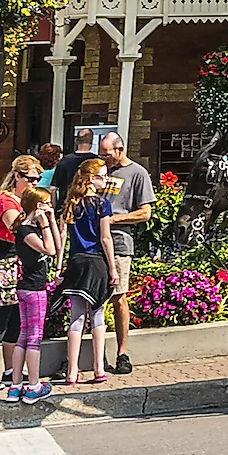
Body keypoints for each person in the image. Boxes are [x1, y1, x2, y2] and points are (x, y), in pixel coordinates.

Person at [0, 155, 42, 391]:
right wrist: (35, 218)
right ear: (18, 176)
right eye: (31, 179)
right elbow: (17, 228)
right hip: (2, 261)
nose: (34, 183)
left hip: (18, 262)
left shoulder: (26, 201)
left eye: (38, 179)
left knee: (16, 319)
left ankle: (11, 368)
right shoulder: (6, 201)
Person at [57, 158, 117, 387]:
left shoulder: (72, 203)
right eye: (102, 176)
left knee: (76, 317)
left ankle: (71, 371)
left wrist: (59, 264)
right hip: (96, 262)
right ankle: (98, 368)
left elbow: (62, 236)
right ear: (92, 179)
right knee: (97, 315)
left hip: (76, 261)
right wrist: (112, 268)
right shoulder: (102, 205)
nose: (105, 180)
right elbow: (105, 238)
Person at [98, 131, 154, 375]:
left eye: (107, 154)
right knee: (92, 299)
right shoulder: (100, 171)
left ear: (119, 150)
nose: (103, 158)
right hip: (94, 243)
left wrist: (114, 220)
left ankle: (122, 352)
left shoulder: (137, 173)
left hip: (120, 242)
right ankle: (90, 354)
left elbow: (145, 213)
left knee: (118, 297)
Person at [7, 185, 60, 403]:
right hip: (33, 288)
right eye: (47, 203)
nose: (50, 206)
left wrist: (52, 220)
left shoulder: (29, 227)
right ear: (38, 206)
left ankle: (15, 385)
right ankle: (33, 385)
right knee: (34, 338)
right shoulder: (27, 231)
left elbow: (57, 245)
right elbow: (49, 250)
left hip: (27, 287)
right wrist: (45, 223)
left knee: (24, 335)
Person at [48, 126, 97, 202]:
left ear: (76, 141)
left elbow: (53, 188)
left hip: (66, 205)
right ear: (92, 141)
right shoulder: (97, 162)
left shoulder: (65, 160)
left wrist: (54, 208)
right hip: (91, 205)